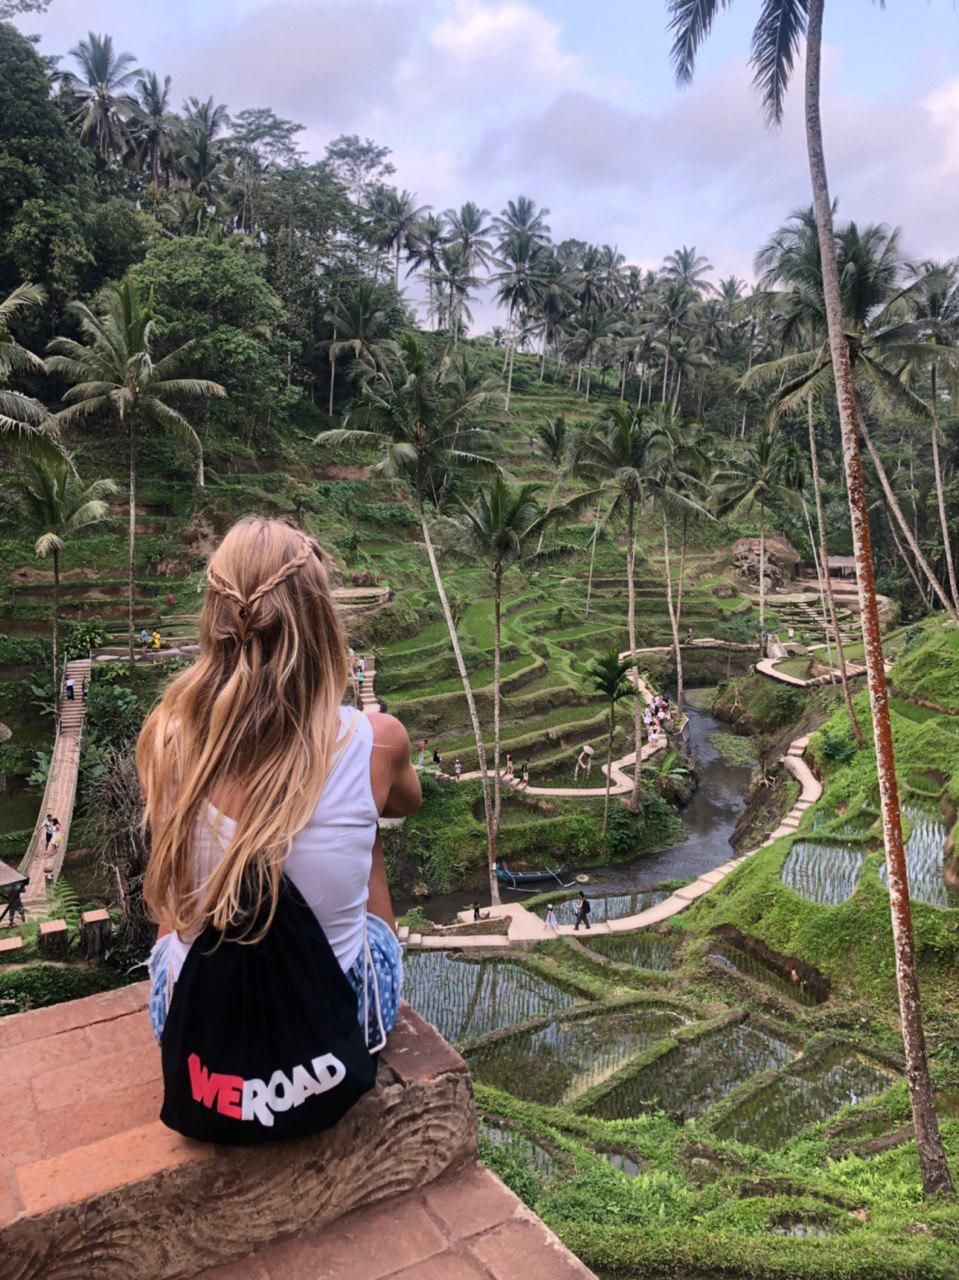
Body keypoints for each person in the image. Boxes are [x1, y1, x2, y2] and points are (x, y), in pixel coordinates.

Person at [138, 517, 423, 1081]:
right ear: (320, 622)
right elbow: (408, 803)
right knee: (367, 842)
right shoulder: (377, 742)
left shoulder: (164, 739)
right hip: (334, 1033)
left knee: (180, 880)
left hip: (199, 1035)